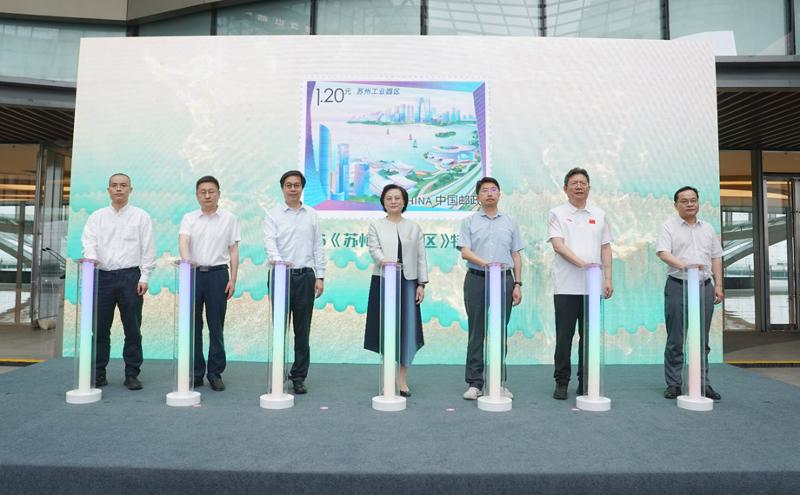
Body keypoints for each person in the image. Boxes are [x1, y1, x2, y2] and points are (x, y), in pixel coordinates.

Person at [81, 173, 155, 390]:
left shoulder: (141, 216)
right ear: (109, 190)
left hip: (130, 277)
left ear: (130, 189)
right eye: (114, 185)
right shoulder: (97, 217)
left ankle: (132, 374)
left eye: (123, 185)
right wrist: (91, 261)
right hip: (102, 276)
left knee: (132, 329)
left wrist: (145, 276)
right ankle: (98, 373)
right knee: (99, 329)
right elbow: (89, 242)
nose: (119, 189)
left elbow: (148, 248)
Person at [547, 167, 613, 400]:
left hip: (593, 287)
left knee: (590, 337)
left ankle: (586, 381)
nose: (578, 186)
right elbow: (558, 245)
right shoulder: (557, 213)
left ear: (589, 188)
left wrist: (607, 278)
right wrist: (583, 264)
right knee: (564, 337)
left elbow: (606, 247)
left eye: (583, 183)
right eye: (574, 183)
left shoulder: (600, 214)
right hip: (566, 286)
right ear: (565, 188)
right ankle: (561, 381)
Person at [457, 177, 524, 400]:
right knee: (476, 331)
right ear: (478, 196)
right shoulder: (469, 222)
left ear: (499, 194)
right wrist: (487, 264)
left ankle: (498, 382)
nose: (489, 193)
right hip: (477, 279)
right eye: (484, 190)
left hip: (504, 280)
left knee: (499, 331)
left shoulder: (510, 222)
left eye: (493, 189)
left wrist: (517, 283)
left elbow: (516, 254)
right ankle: (475, 383)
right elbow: (465, 252)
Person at [656, 186, 724, 401]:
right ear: (676, 205)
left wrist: (719, 285)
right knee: (676, 338)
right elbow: (663, 252)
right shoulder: (669, 226)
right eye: (684, 201)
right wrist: (684, 266)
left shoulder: (708, 228)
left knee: (702, 338)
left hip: (704, 286)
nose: (689, 204)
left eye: (693, 200)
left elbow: (716, 257)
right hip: (678, 285)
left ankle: (702, 383)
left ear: (698, 202)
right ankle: (674, 384)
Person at [263, 170, 325, 395]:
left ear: (302, 188)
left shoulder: (312, 215)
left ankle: (298, 377)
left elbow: (318, 247)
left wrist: (320, 276)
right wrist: (280, 263)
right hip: (280, 275)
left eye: (296, 185)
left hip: (306, 276)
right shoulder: (273, 215)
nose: (292, 189)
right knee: (280, 328)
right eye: (288, 185)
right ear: (282, 188)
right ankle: (278, 374)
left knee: (302, 330)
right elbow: (270, 244)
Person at [364, 184, 428, 397]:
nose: (393, 201)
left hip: (408, 283)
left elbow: (421, 257)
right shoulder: (376, 226)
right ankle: (388, 379)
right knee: (386, 328)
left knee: (407, 330)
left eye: (397, 198)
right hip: (384, 281)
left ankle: (402, 380)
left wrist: (421, 284)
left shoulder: (414, 227)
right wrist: (386, 262)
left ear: (404, 201)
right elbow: (374, 249)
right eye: (389, 198)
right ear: (383, 202)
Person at [179, 176, 240, 392]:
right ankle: (196, 373)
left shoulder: (229, 218)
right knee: (193, 327)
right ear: (197, 195)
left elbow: (233, 250)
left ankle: (215, 373)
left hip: (218, 276)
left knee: (216, 327)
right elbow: (183, 241)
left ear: (219, 194)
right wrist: (187, 265)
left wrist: (233, 279)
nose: (207, 195)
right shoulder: (189, 218)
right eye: (203, 192)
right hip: (194, 274)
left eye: (211, 191)